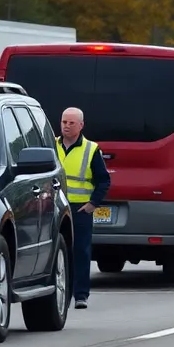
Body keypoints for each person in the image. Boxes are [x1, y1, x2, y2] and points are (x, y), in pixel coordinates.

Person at [56, 107, 111, 309]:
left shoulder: (91, 149)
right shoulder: (52, 146)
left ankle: (80, 296)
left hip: (79, 210)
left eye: (71, 123)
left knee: (80, 252)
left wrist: (92, 204)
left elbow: (104, 180)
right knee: (59, 253)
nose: (66, 126)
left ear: (81, 125)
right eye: (64, 122)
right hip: (55, 208)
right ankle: (60, 294)